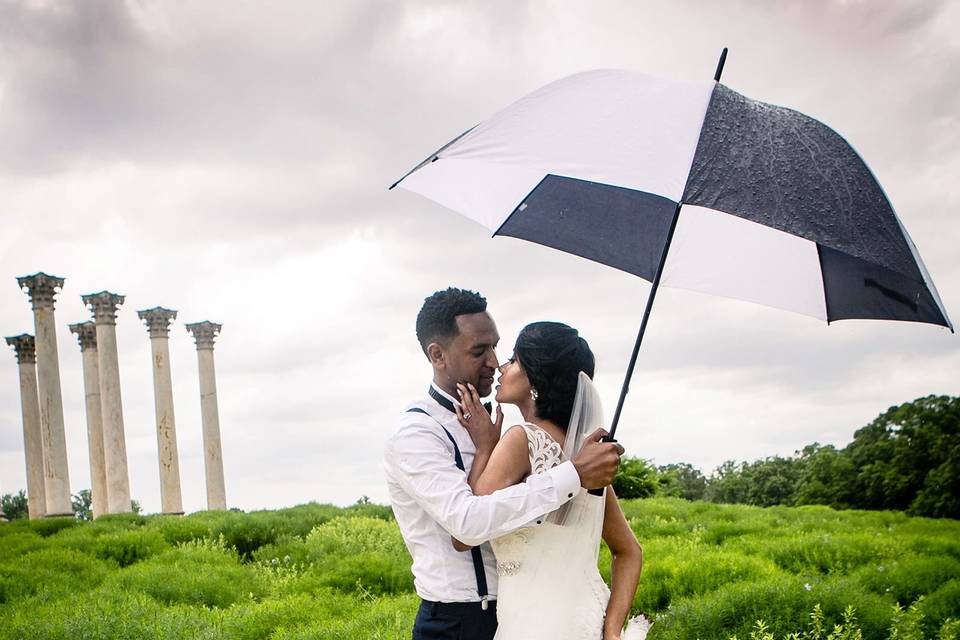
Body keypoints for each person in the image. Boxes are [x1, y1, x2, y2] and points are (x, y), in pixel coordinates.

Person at [384, 288, 625, 640]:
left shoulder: (506, 429)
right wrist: (571, 474)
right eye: (479, 351)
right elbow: (466, 524)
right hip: (458, 621)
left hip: (525, 616)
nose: (495, 362)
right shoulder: (417, 432)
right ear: (437, 355)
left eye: (498, 348)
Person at [454, 321, 644, 640]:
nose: (501, 367)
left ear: (535, 379)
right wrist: (612, 630)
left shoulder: (521, 440)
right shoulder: (586, 455)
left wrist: (485, 447)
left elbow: (464, 535)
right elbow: (629, 551)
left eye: (514, 360)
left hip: (534, 628)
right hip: (586, 620)